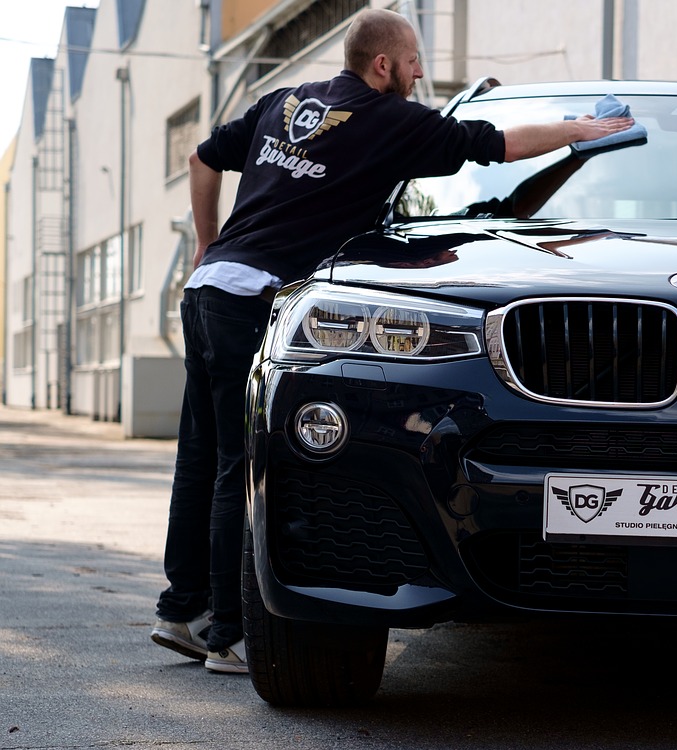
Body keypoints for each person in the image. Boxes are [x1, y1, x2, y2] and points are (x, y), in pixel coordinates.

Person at [149, 8, 633, 674]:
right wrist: (582, 130)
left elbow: (204, 158)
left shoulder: (286, 100)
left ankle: (179, 610)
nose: (421, 73)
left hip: (209, 291)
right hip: (253, 299)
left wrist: (207, 244)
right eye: (413, 62)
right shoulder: (390, 120)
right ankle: (226, 634)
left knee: (199, 456)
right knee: (238, 462)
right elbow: (497, 143)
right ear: (384, 64)